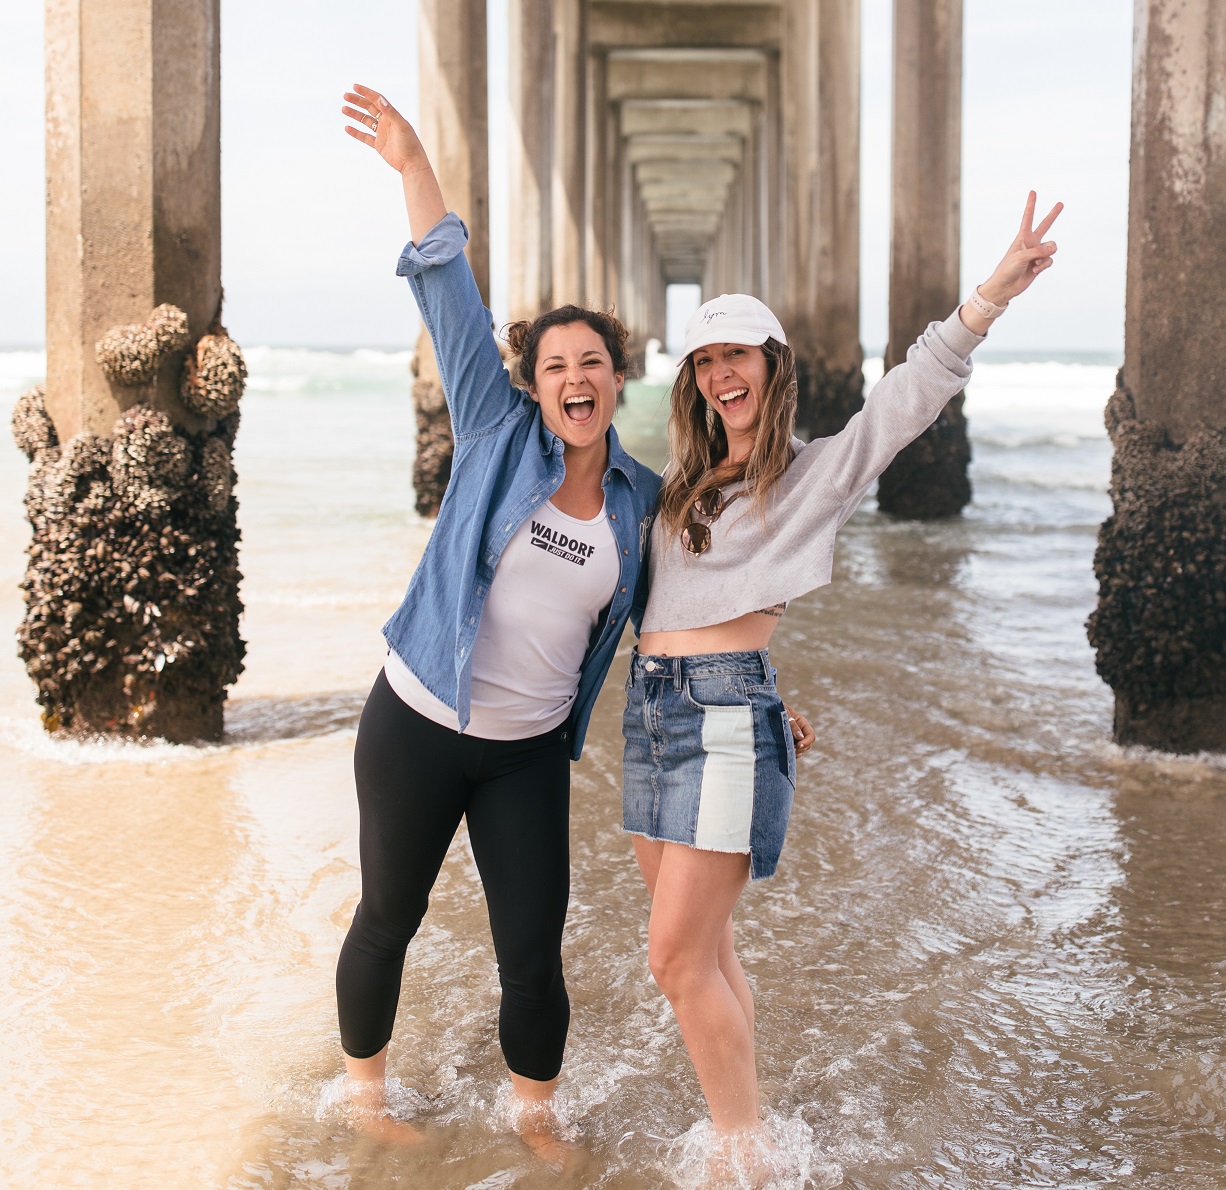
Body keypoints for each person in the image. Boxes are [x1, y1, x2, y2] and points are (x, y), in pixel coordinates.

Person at [334, 81, 817, 1159]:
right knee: (386, 919)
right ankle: (365, 1095)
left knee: (533, 952)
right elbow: (446, 291)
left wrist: (769, 711)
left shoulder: (645, 502)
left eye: (591, 361)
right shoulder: (496, 436)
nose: (573, 378)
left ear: (617, 377)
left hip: (522, 754)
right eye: (554, 366)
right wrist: (415, 166)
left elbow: (702, 617)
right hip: (415, 718)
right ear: (534, 386)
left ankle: (533, 1119)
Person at [622, 193, 1063, 1174]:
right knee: (704, 953)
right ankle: (747, 1125)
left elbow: (908, 395)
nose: (719, 373)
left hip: (721, 716)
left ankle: (746, 1153)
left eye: (735, 354)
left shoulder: (812, 473)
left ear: (771, 366)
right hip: (650, 715)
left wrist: (985, 297)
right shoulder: (679, 487)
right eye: (703, 359)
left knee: (675, 955)